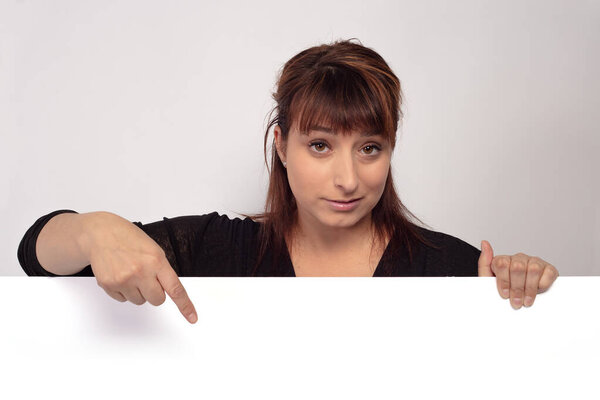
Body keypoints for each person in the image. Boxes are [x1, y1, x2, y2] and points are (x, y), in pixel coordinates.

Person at [17, 38, 559, 324]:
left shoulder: (451, 268)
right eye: (320, 145)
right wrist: (95, 230)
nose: (347, 178)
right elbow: (35, 254)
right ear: (281, 144)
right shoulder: (217, 249)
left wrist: (521, 286)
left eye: (369, 148)